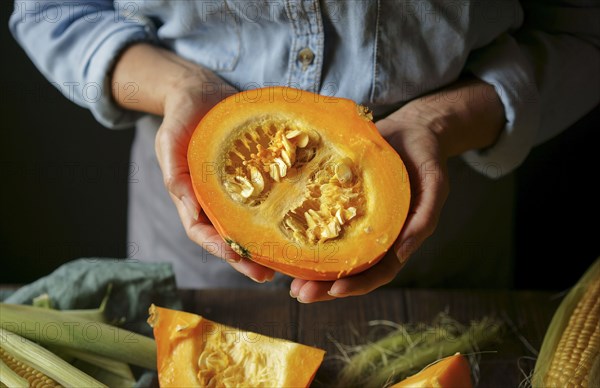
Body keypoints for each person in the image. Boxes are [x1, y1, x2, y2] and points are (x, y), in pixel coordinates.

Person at [10, 1, 599, 302]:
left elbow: (585, 29)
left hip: (442, 248)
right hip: (190, 251)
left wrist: (442, 121)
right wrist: (176, 87)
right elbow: (50, 12)